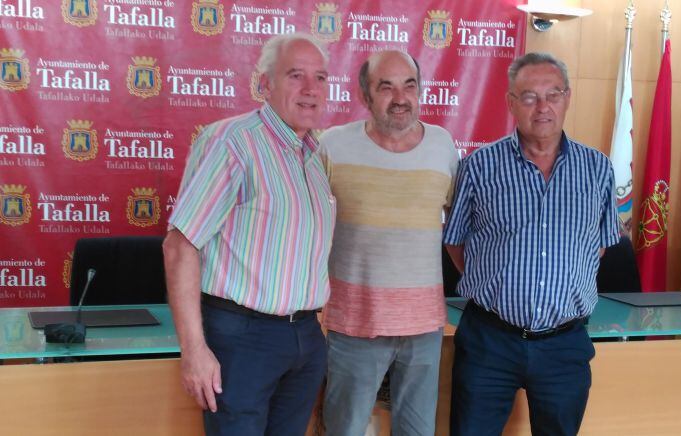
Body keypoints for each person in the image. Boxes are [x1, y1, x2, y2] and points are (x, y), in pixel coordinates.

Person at [162, 33, 335, 436]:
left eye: (321, 77)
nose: (311, 89)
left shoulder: (314, 155)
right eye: (296, 76)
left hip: (305, 336)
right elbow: (180, 246)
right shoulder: (234, 144)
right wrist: (194, 350)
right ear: (264, 84)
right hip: (243, 340)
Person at [443, 52, 621, 436]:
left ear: (567, 98)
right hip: (489, 342)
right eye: (528, 97)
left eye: (552, 94)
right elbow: (455, 241)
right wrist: (495, 283)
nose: (542, 107)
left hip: (564, 345)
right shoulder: (480, 165)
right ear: (511, 103)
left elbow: (600, 246)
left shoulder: (597, 168)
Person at [320, 50, 458, 436]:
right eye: (386, 86)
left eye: (409, 85)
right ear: (365, 95)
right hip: (354, 324)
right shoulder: (332, 146)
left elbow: (461, 228)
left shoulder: (443, 146)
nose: (400, 97)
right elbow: (303, 225)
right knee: (343, 429)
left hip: (424, 328)